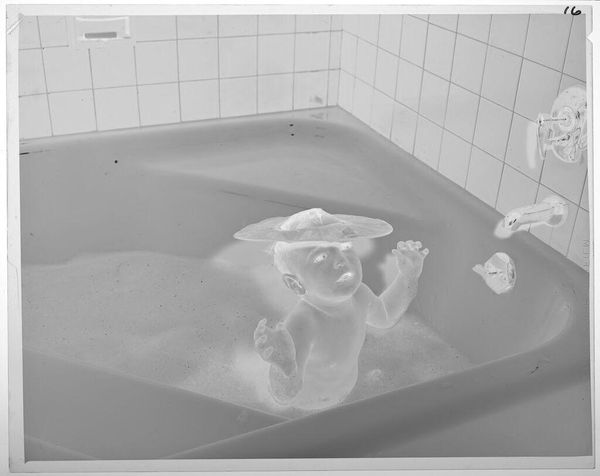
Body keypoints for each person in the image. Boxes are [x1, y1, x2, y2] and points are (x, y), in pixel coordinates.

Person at [234, 208, 428, 410]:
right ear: (295, 284)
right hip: (304, 409)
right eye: (321, 257)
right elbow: (284, 396)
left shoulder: (360, 295)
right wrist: (285, 366)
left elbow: (386, 316)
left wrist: (407, 278)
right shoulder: (303, 324)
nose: (341, 260)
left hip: (347, 399)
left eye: (345, 247)